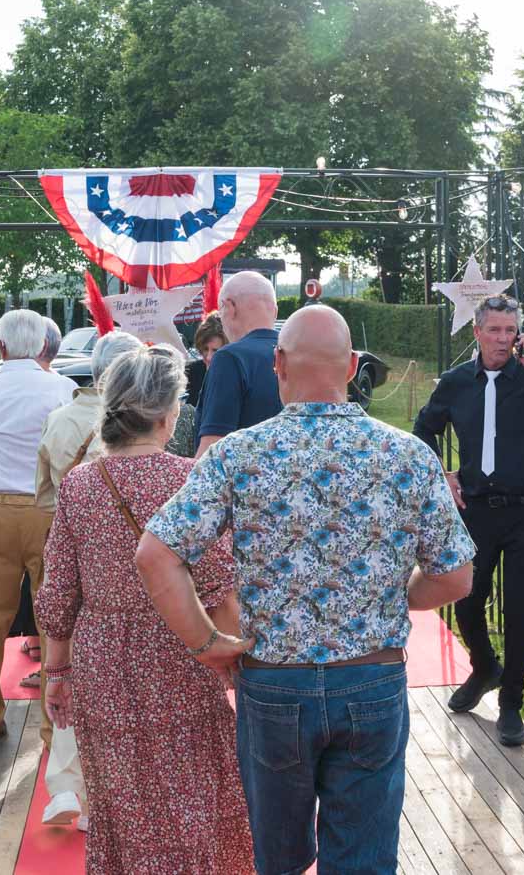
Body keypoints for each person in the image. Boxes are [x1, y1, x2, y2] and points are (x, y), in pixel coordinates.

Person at [137, 306, 476, 875]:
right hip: (372, 678)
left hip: (274, 682)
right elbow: (455, 576)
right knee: (362, 861)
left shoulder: (236, 453)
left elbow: (156, 554)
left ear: (278, 363)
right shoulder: (409, 455)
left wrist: (207, 643)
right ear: (352, 367)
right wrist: (395, 598)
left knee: (279, 860)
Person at [37, 344, 256, 874]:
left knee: (121, 800)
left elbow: (58, 592)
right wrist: (237, 661)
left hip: (103, 661)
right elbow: (219, 585)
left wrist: (57, 673)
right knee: (196, 791)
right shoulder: (191, 479)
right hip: (184, 651)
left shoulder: (81, 484)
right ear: (167, 414)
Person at [413, 295, 524, 746]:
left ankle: (512, 701)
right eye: (493, 329)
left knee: (519, 608)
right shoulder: (456, 382)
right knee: (466, 598)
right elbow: (424, 429)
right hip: (476, 509)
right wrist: (442, 475)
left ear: (519, 335)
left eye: (509, 330)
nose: (501, 338)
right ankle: (484, 667)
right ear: (477, 332)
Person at [0, 308, 77, 751]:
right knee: (54, 618)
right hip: (48, 510)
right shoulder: (62, 388)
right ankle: (53, 727)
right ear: (43, 345)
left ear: (1, 346)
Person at [31, 329, 141, 830]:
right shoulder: (148, 429)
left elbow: (43, 495)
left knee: (69, 672)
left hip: (71, 546)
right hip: (133, 567)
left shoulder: (59, 419)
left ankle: (68, 785)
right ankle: (94, 791)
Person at [8, 316, 69, 689]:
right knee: (47, 585)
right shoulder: (63, 388)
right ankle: (43, 656)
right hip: (50, 502)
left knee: (37, 587)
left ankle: (39, 650)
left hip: (13, 501)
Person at [195, 272, 281, 457]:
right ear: (274, 311)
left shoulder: (230, 358)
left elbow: (212, 449)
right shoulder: (297, 354)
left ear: (229, 307)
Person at [186, 312, 227, 413]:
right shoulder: (190, 373)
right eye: (205, 349)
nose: (209, 357)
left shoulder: (239, 378)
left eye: (215, 351)